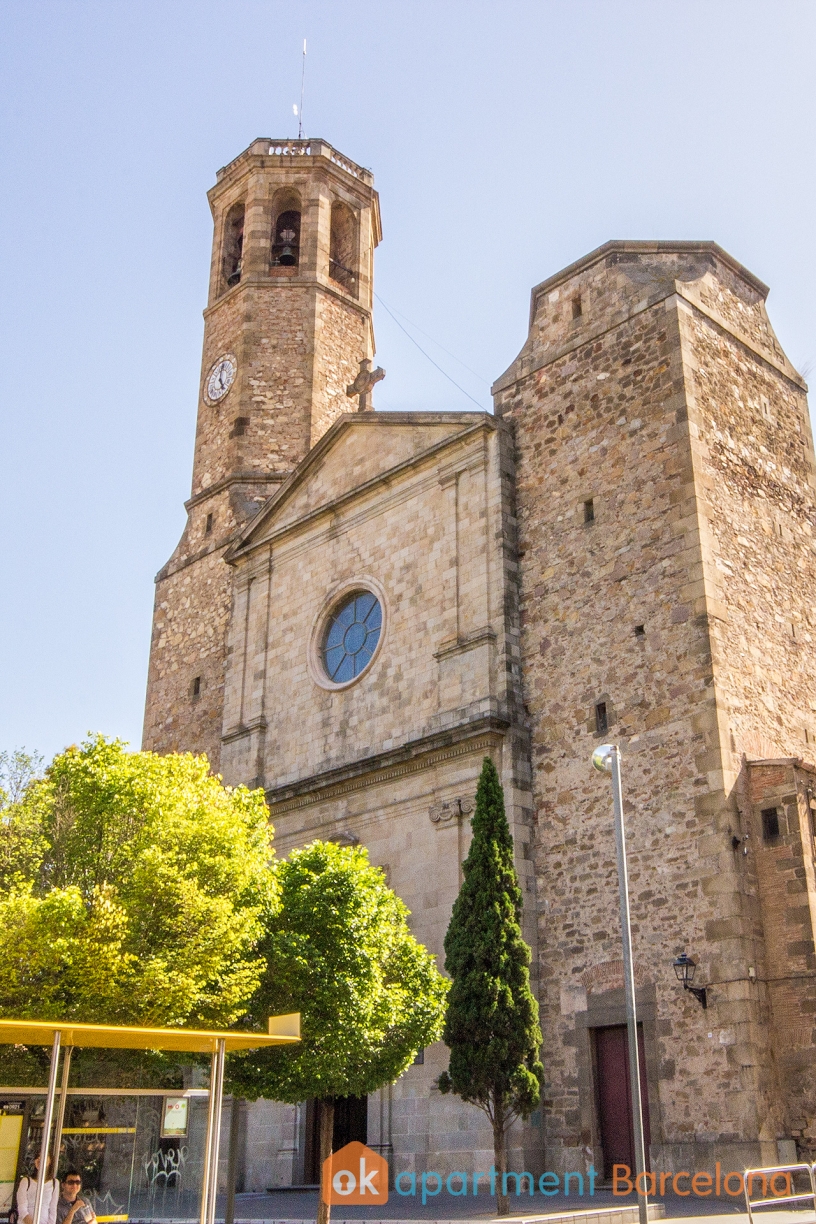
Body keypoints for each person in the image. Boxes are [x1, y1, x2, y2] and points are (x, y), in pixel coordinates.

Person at [16, 1154, 58, 1224]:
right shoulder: (26, 1181)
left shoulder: (55, 1183)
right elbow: (22, 1208)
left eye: (43, 1157)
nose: (39, 1160)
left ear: (50, 1161)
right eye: (37, 1158)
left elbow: (53, 1209)